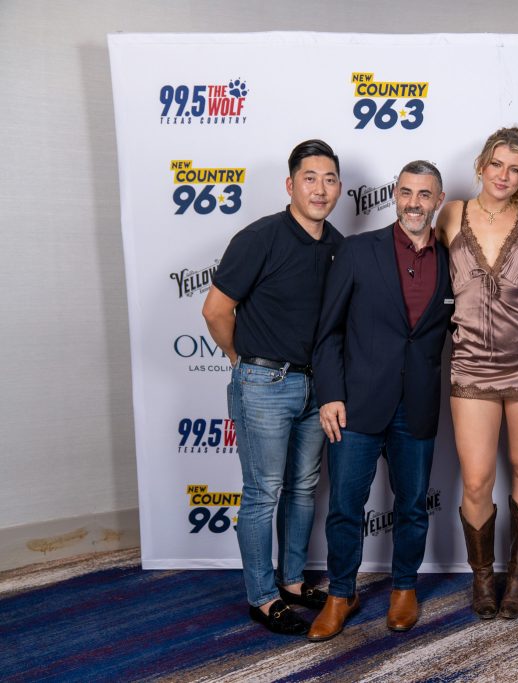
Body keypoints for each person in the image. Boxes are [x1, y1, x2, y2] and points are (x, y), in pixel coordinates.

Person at [201, 139, 344, 635]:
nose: (320, 189)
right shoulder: (259, 238)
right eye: (310, 178)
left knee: (303, 488)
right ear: (290, 185)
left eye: (329, 179)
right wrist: (241, 361)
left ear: (339, 188)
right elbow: (215, 310)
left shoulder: (337, 245)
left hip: (313, 386)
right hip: (264, 382)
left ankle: (292, 581)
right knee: (263, 492)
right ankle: (262, 597)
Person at [307, 160, 453, 641]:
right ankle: (340, 593)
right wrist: (330, 395)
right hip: (357, 404)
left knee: (412, 505)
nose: (414, 203)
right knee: (346, 506)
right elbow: (327, 332)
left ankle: (404, 588)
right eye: (406, 192)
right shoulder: (357, 250)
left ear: (438, 200)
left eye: (425, 194)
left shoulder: (452, 259)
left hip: (419, 403)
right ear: (395, 195)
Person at [435, 127, 518, 620]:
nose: (504, 175)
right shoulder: (451, 213)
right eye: (497, 164)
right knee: (478, 479)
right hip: (471, 363)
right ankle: (483, 578)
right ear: (481, 165)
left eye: (515, 169)